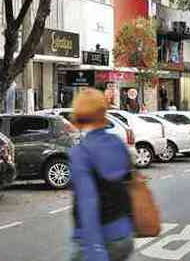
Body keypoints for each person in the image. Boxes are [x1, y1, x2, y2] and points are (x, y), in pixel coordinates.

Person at [69, 88, 134, 261]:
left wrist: (94, 251)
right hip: (123, 235)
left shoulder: (81, 152)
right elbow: (129, 187)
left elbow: (88, 201)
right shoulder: (117, 144)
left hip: (98, 240)